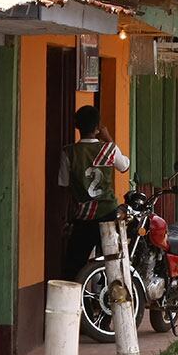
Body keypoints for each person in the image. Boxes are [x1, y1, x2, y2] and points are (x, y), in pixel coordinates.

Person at [57, 106, 131, 278]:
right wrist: (109, 139)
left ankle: (74, 302)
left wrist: (64, 218)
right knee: (114, 261)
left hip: (84, 216)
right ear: (98, 127)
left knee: (73, 265)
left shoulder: (68, 152)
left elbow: (64, 185)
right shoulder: (109, 149)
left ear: (77, 126)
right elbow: (124, 166)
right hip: (108, 214)